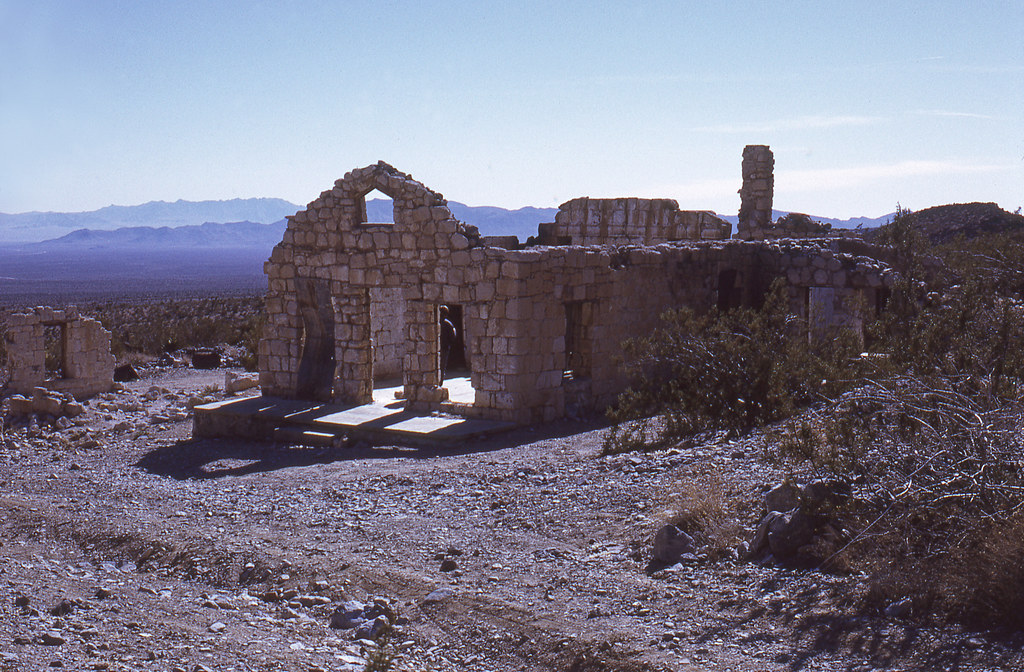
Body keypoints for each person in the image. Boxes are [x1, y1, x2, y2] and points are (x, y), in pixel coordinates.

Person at [439, 305, 457, 381]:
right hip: (444, 347)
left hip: (438, 347)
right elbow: (453, 336)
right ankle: (440, 381)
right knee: (442, 366)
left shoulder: (436, 323)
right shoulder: (448, 324)